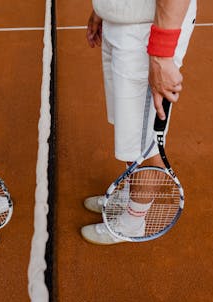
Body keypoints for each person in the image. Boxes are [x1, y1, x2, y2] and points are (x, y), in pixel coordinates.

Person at [80, 0, 197, 244]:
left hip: (147, 33)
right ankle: (129, 194)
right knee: (130, 127)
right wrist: (104, 9)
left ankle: (132, 223)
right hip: (125, 22)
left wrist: (162, 54)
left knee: (144, 142)